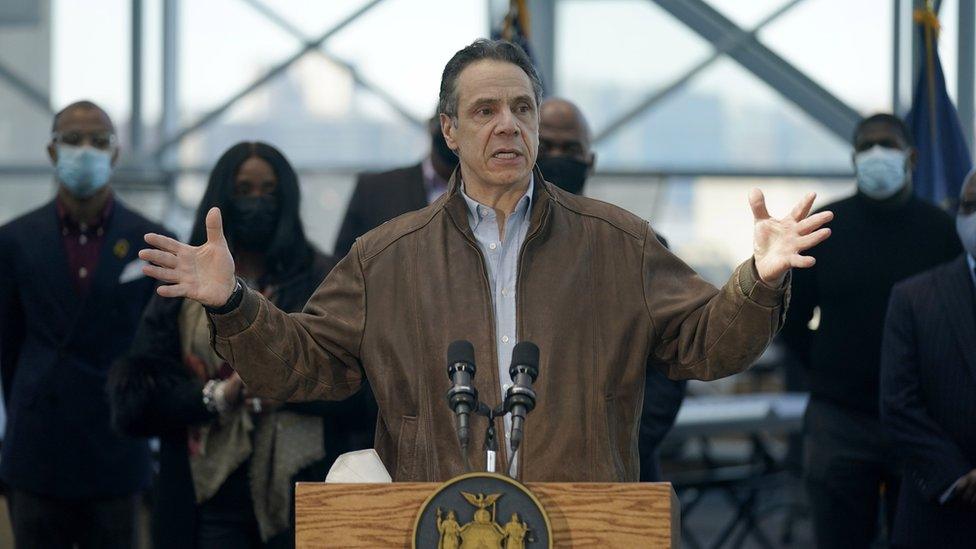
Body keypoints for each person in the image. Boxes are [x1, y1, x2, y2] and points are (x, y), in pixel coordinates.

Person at [138, 39, 832, 482]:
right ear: (449, 129)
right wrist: (234, 302)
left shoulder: (620, 243)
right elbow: (306, 361)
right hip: (436, 523)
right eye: (486, 110)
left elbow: (705, 344)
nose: (508, 124)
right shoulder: (386, 255)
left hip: (581, 523)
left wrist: (756, 280)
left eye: (522, 108)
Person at [107, 142, 376, 548]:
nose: (256, 202)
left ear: (286, 198)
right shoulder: (184, 281)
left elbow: (365, 391)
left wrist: (284, 386)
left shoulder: (325, 278)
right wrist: (217, 395)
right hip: (206, 502)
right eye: (243, 190)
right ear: (222, 195)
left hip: (303, 503)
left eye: (268, 191)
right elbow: (133, 401)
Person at [779, 113, 960, 548]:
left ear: (912, 157)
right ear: (854, 158)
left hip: (922, 421)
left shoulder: (942, 231)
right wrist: (826, 371)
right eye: (866, 146)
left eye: (887, 144)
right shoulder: (823, 228)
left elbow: (957, 324)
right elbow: (790, 317)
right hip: (840, 420)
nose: (876, 153)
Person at [0, 100, 169, 547]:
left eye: (98, 140)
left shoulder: (149, 238)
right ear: (53, 152)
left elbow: (158, 345)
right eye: (73, 140)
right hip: (39, 447)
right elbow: (8, 345)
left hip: (115, 446)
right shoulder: (16, 239)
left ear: (115, 153)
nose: (85, 150)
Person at [536, 96, 686, 481]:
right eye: (545, 146)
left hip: (618, 469)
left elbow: (668, 365)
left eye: (570, 149)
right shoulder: (486, 245)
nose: (557, 157)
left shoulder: (633, 246)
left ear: (590, 161)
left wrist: (625, 442)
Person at [880, 171, 976, 548]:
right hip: (940, 514)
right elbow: (898, 405)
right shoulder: (915, 298)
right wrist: (957, 474)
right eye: (969, 206)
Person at [333, 115, 459, 258]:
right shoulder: (374, 190)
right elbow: (343, 267)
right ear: (435, 125)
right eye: (448, 126)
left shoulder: (487, 196)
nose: (452, 136)